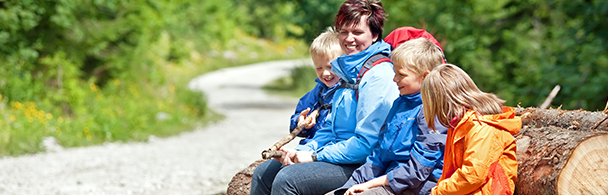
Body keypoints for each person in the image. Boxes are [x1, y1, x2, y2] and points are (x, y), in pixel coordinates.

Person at [250, 0, 399, 194]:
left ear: (375, 35)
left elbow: (367, 144)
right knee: (263, 174)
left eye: (357, 32)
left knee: (288, 180)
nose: (349, 38)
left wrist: (314, 156)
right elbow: (331, 129)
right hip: (339, 154)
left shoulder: (378, 75)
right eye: (344, 32)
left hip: (363, 163)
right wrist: (302, 150)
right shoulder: (348, 69)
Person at [331, 37, 448, 195]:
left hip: (418, 186)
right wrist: (351, 185)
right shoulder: (399, 104)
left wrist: (372, 184)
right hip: (389, 179)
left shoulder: (433, 111)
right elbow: (379, 155)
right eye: (394, 73)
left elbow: (418, 171)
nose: (394, 79)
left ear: (425, 77)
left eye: (401, 74)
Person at [420, 64, 521, 195]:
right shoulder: (460, 124)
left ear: (440, 102)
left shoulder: (481, 126)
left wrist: (437, 192)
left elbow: (472, 176)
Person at [289, 27, 343, 145]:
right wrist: (300, 121)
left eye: (330, 67)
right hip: (311, 144)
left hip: (331, 148)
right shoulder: (318, 91)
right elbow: (299, 115)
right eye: (319, 68)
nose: (325, 73)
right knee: (270, 164)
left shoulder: (348, 91)